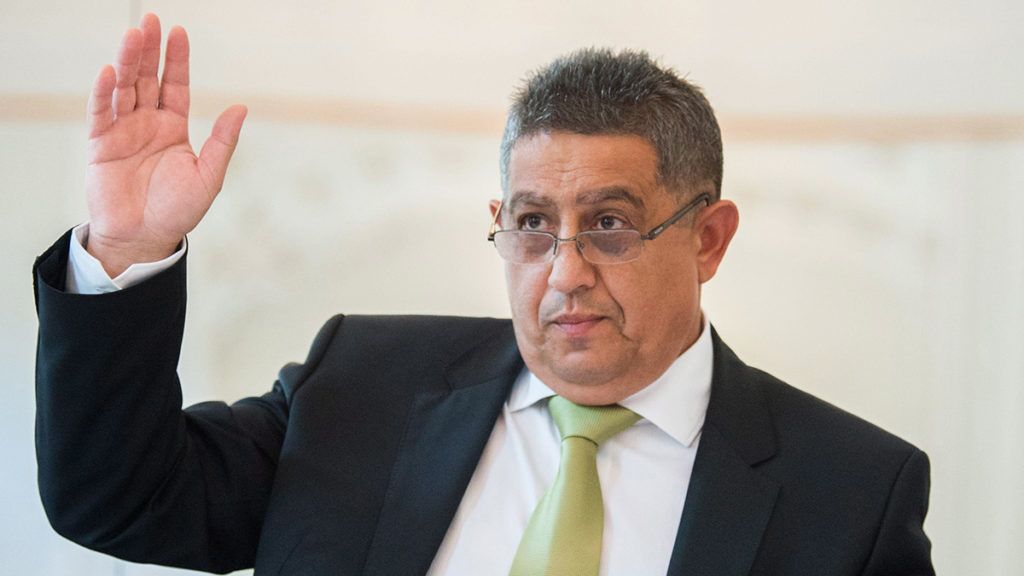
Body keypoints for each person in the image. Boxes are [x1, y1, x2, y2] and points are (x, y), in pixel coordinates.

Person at [33, 13, 934, 576]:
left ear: (708, 239)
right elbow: (117, 499)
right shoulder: (362, 385)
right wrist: (127, 248)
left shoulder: (852, 494)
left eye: (610, 224)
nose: (564, 271)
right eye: (533, 223)